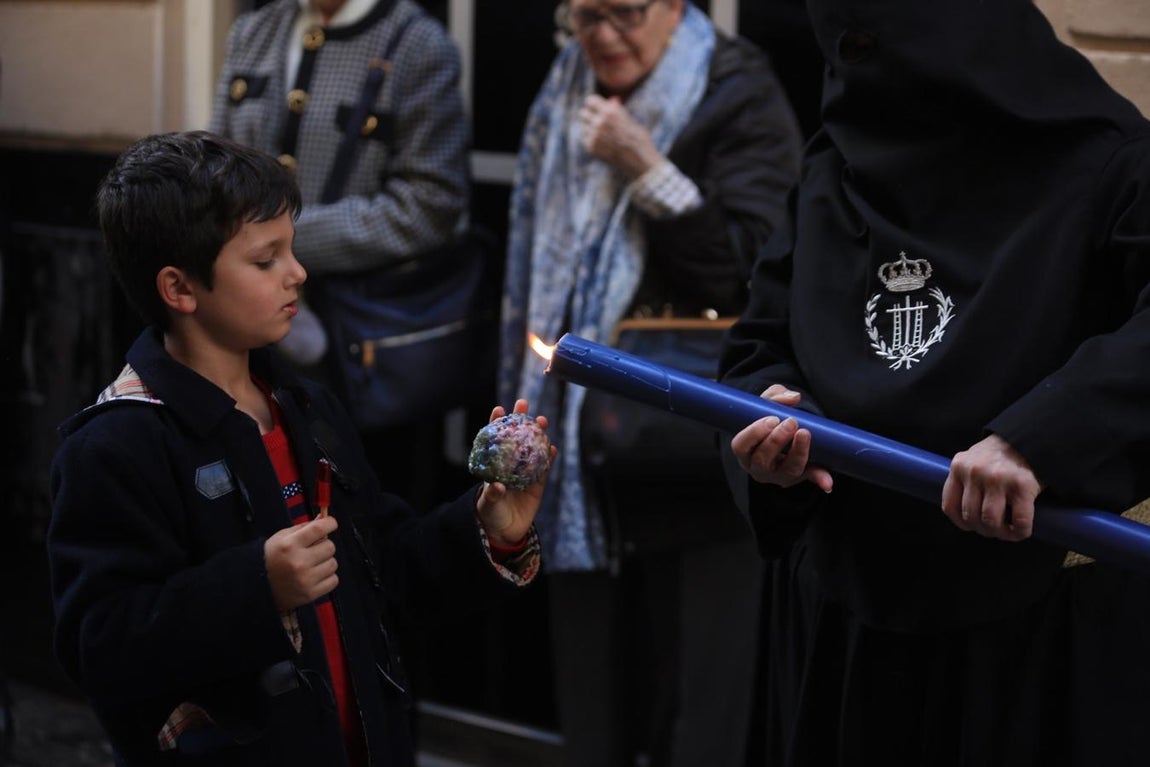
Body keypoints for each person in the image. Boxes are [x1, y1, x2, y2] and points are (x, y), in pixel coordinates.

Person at [719, 0, 1150, 764]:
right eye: (846, 47)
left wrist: (1041, 438)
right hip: (841, 613)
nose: (869, 72)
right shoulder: (836, 163)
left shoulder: (1106, 160)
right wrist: (768, 418)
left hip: (1033, 628)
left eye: (885, 43)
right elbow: (762, 343)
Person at [46, 131, 548, 767]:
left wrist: (485, 528)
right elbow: (100, 645)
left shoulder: (309, 410)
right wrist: (255, 587)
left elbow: (384, 568)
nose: (298, 271)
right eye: (266, 260)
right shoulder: (117, 444)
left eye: (292, 246)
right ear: (179, 289)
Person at [498, 1, 802, 764]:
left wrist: (651, 170)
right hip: (574, 438)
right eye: (584, 14)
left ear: (675, 6)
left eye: (625, 11)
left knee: (703, 699)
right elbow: (530, 254)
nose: (602, 34)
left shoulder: (737, 84)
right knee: (595, 697)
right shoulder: (565, 83)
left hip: (689, 442)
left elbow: (758, 270)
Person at [209, 0, 473, 508]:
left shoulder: (417, 44)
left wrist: (273, 243)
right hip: (249, 347)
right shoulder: (253, 32)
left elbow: (430, 206)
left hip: (361, 350)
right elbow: (213, 172)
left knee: (367, 524)